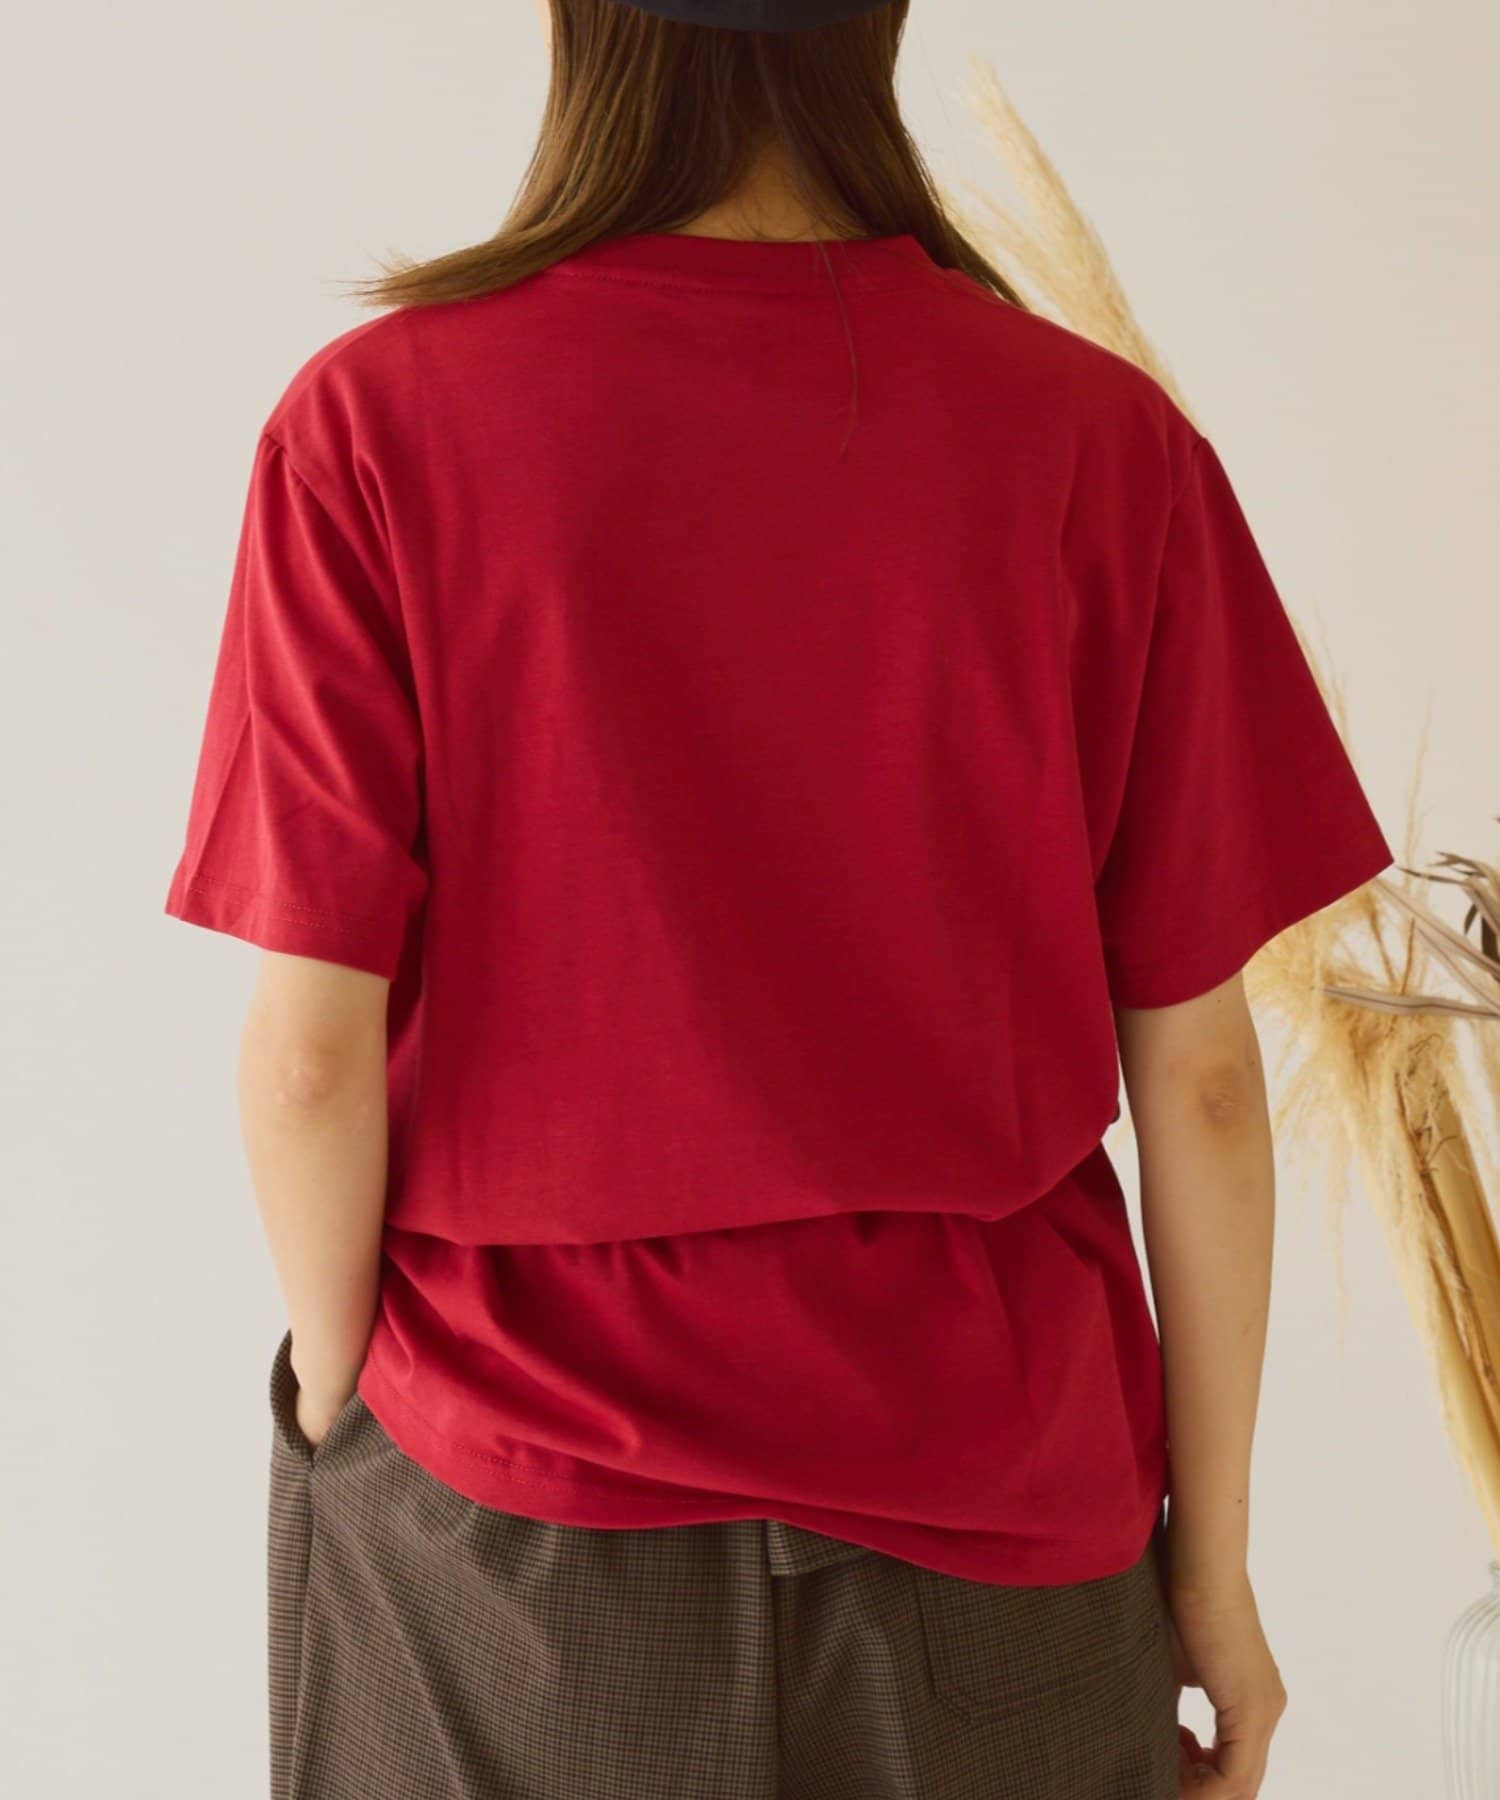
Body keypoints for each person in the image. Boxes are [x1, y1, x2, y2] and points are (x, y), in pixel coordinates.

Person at [162, 0, 1393, 1794]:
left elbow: (306, 1063)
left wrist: (351, 1412)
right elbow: (1201, 1085)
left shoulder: (371, 427)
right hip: (1004, 1539)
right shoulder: (1104, 445)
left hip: (518, 1519)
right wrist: (1210, 1571)